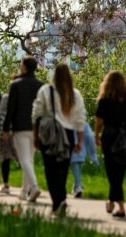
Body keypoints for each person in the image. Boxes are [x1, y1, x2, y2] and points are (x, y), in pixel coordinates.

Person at [32, 63, 86, 216]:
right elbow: (80, 119)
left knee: (50, 170)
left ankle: (58, 202)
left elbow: (37, 114)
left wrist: (36, 135)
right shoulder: (74, 94)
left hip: (49, 135)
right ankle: (60, 200)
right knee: (63, 169)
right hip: (68, 135)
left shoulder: (45, 91)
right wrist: (79, 141)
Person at [94, 71, 126, 218]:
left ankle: (119, 206)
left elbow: (99, 121)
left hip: (110, 137)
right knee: (119, 173)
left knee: (112, 172)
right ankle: (112, 202)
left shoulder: (104, 100)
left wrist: (96, 136)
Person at [2, 55, 44, 202]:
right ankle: (24, 192)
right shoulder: (41, 85)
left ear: (24, 66)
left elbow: (10, 109)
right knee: (29, 160)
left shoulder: (16, 85)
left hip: (20, 127)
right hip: (36, 128)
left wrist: (6, 128)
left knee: (24, 159)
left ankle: (34, 187)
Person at [0, 93, 17, 195]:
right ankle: (29, 185)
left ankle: (6, 184)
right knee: (23, 160)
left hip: (4, 139)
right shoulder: (15, 112)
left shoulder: (1, 113)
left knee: (5, 161)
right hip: (16, 137)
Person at [70, 122, 99, 198]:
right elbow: (90, 137)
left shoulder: (71, 121)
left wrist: (75, 143)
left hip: (74, 149)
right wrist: (93, 154)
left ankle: (78, 186)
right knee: (78, 169)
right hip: (83, 151)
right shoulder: (85, 124)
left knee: (75, 169)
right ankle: (77, 186)